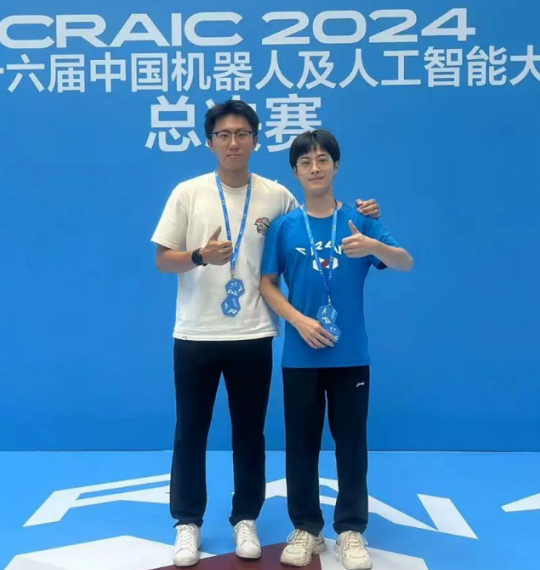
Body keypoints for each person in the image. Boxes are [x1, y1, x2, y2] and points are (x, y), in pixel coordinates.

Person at [152, 102, 381, 567]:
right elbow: (162, 260)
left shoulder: (277, 196)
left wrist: (366, 214)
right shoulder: (187, 193)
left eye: (242, 134)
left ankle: (245, 518)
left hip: (253, 333)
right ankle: (188, 522)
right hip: (195, 332)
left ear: (256, 140)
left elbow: (318, 221)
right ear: (210, 142)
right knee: (190, 431)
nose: (233, 143)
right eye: (223, 135)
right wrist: (199, 256)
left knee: (249, 433)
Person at [259, 129, 413, 570]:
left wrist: (374, 245)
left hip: (351, 357)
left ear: (336, 165)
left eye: (322, 160)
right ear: (295, 172)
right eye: (305, 162)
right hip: (301, 355)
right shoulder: (285, 226)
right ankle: (307, 528)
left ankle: (350, 530)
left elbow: (405, 261)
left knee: (351, 444)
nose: (315, 168)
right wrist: (299, 320)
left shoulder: (360, 220)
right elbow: (267, 284)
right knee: (300, 445)